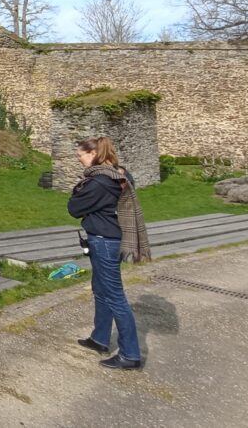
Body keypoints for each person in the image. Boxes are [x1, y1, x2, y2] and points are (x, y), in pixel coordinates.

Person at [68, 136, 145, 370]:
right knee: (101, 290)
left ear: (92, 154)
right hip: (109, 238)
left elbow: (74, 208)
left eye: (80, 156)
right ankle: (100, 338)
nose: (79, 161)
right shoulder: (119, 174)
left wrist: (78, 190)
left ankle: (130, 354)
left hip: (104, 240)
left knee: (115, 297)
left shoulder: (100, 181)